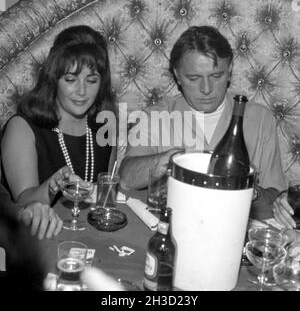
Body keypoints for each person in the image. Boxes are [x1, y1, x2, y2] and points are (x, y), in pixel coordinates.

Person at [119, 25, 287, 220]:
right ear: (177, 76)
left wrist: (247, 189)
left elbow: (275, 203)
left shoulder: (260, 119)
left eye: (216, 76)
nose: (206, 89)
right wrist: (161, 162)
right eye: (194, 78)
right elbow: (126, 180)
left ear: (230, 70)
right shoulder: (153, 117)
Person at [1, 25, 116, 239]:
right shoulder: (23, 127)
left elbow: (104, 197)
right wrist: (52, 186)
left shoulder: (105, 127)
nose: (82, 91)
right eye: (70, 79)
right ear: (54, 79)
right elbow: (23, 204)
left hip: (92, 240)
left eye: (92, 80)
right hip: (41, 242)